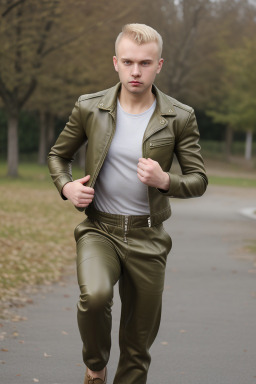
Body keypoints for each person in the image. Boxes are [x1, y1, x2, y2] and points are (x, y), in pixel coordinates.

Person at [48, 23, 208, 384]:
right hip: (99, 229)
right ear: (116, 63)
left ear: (159, 65)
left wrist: (165, 180)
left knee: (137, 348)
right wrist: (67, 188)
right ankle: (95, 366)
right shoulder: (90, 108)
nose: (136, 71)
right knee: (95, 294)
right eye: (129, 62)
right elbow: (58, 156)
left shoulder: (180, 116)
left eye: (146, 63)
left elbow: (198, 180)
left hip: (148, 238)